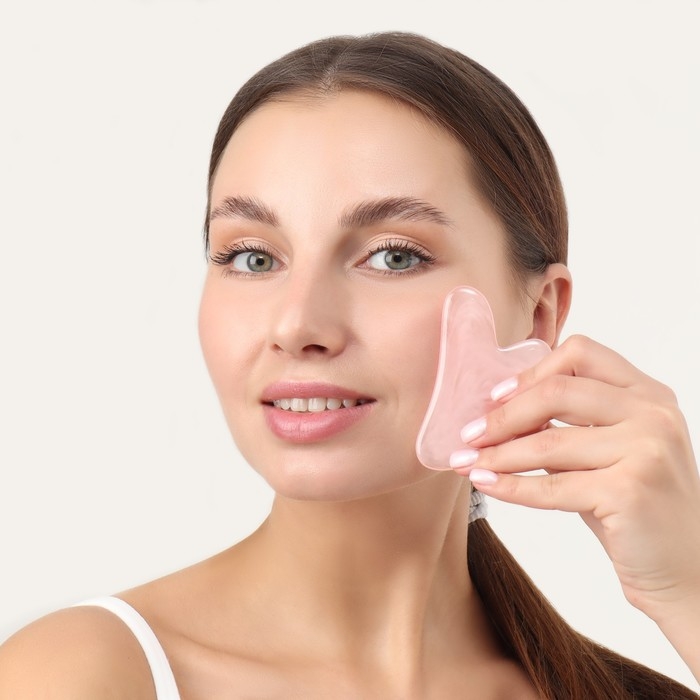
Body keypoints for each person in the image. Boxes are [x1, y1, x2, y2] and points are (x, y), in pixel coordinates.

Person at [1, 31, 698, 699]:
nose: (298, 326)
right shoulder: (82, 676)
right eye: (253, 257)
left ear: (539, 316)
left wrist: (688, 591)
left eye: (393, 257)